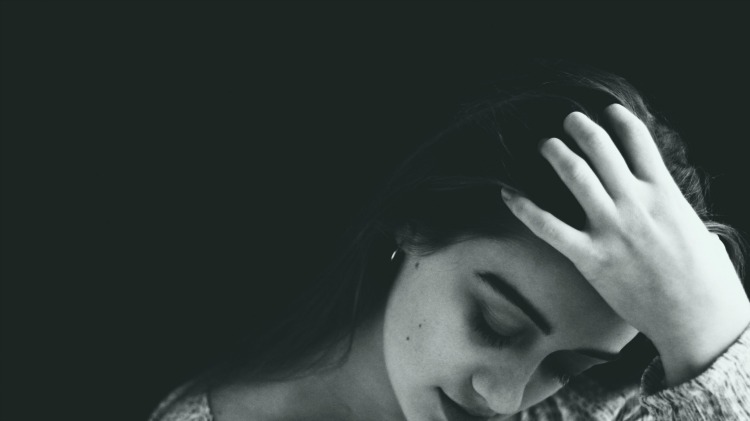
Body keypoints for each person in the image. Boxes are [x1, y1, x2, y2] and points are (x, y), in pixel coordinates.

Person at [148, 60, 750, 421]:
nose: (507, 401)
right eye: (496, 324)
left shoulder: (603, 406)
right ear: (414, 220)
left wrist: (709, 333)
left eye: (567, 368)